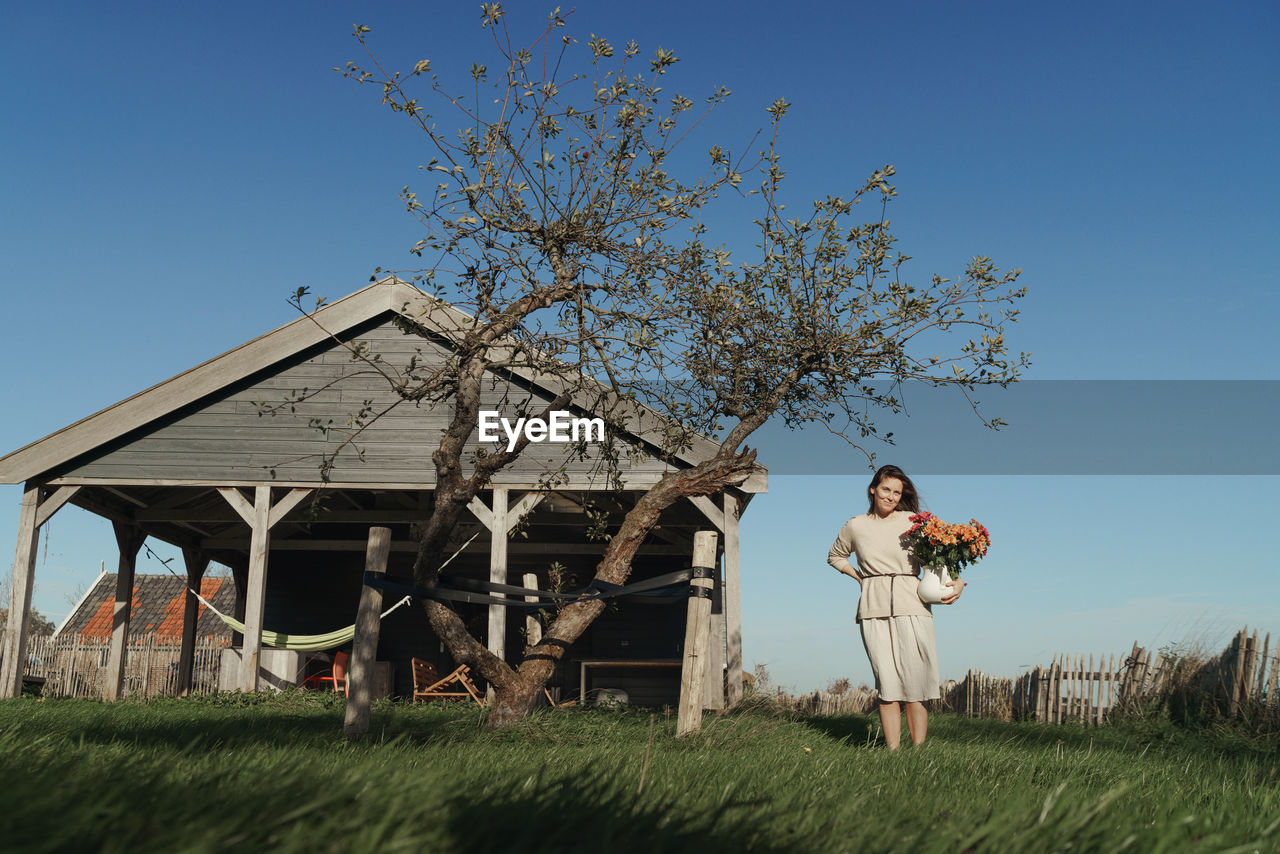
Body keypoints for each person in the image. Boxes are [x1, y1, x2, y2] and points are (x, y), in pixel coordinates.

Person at [827, 464, 965, 749]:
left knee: (916, 685)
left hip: (912, 603)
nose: (890, 496)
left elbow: (938, 559)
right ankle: (893, 753)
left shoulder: (913, 521)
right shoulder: (856, 525)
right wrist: (860, 578)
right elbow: (835, 556)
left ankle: (918, 754)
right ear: (873, 489)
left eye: (897, 492)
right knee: (887, 686)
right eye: (886, 489)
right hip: (872, 607)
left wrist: (958, 582)